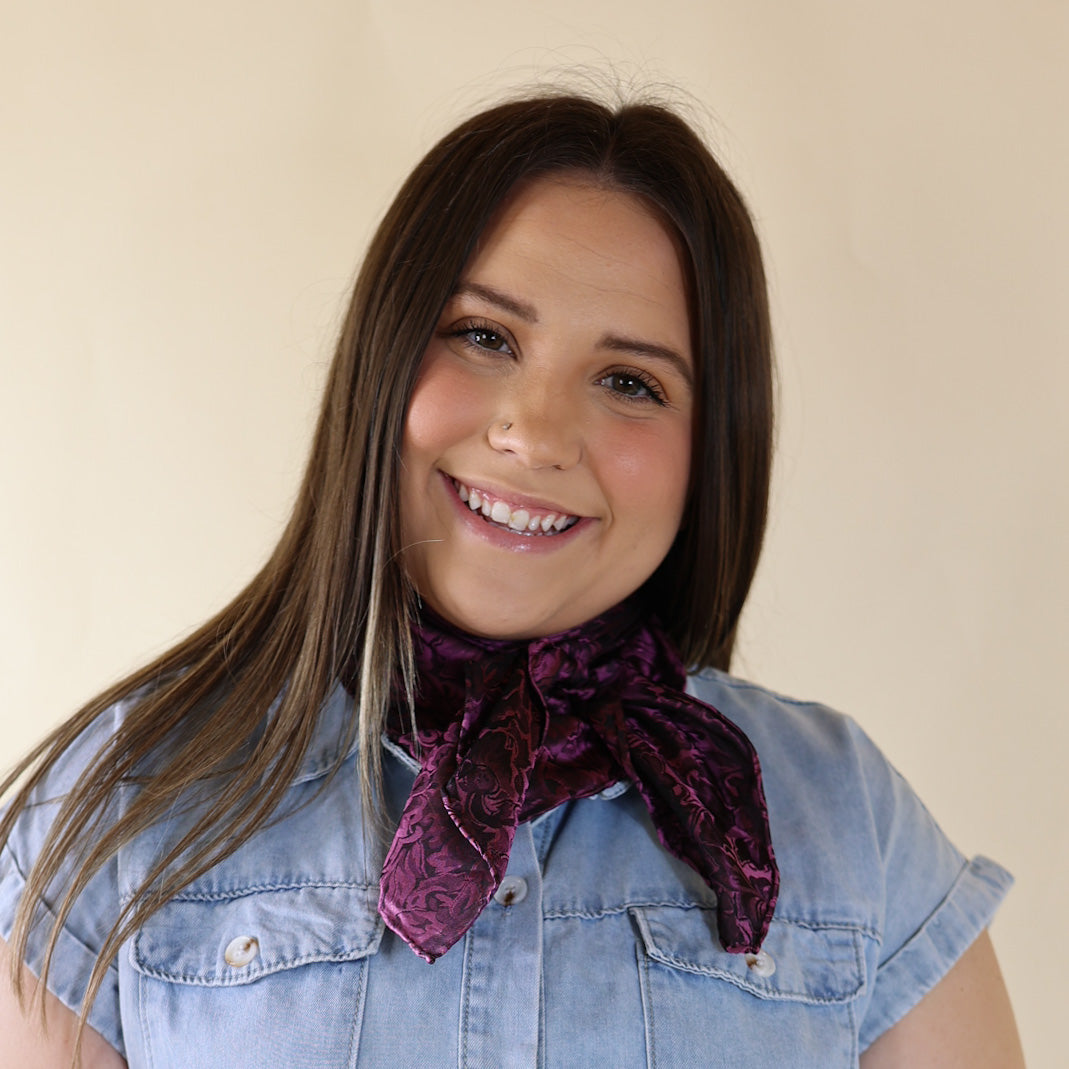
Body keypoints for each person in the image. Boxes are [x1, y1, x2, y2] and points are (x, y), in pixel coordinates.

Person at [0, 92, 1023, 1068]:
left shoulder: (848, 825)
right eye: (484, 336)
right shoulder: (125, 801)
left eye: (630, 381)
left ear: (712, 450)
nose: (534, 433)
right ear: (382, 361)